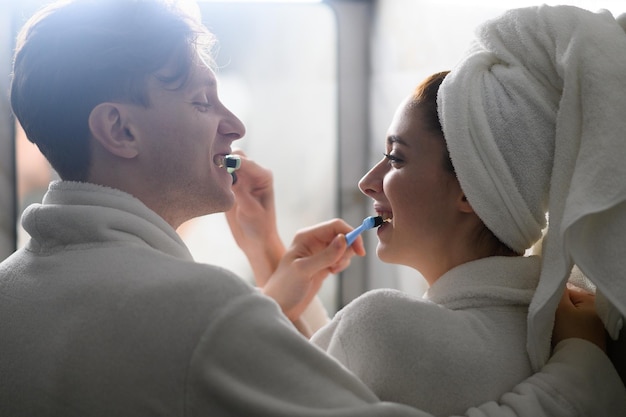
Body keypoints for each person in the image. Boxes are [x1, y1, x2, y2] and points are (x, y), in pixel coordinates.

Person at [0, 0, 623, 416]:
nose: (234, 125)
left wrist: (268, 263)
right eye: (200, 102)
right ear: (119, 129)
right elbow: (217, 348)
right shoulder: (200, 316)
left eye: (398, 158)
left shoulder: (14, 297)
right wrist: (585, 367)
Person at [226, 4, 626, 416]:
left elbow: (255, 387)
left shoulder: (379, 327)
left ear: (471, 191)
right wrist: (266, 249)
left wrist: (271, 273)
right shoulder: (560, 330)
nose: (366, 181)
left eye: (396, 159)